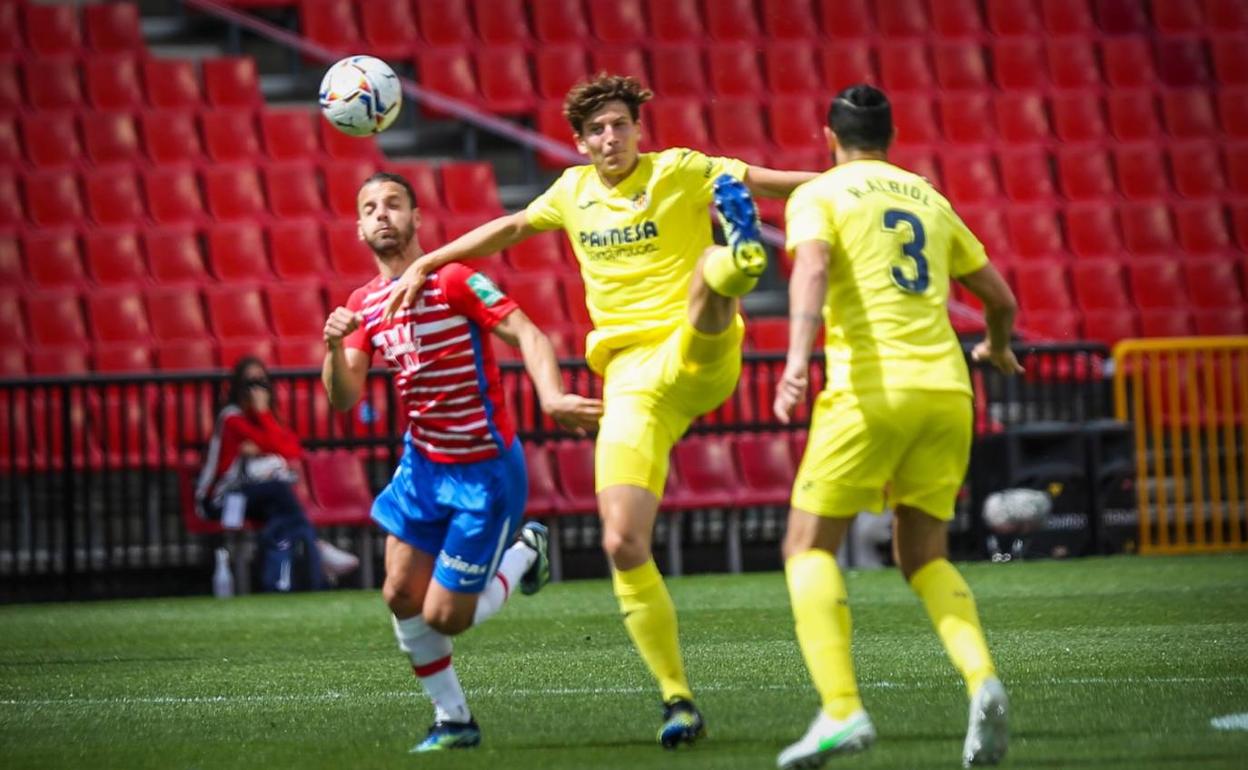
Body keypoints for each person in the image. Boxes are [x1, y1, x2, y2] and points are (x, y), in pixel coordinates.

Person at [382, 74, 817, 747]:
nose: (610, 137)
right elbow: (511, 227)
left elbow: (776, 179)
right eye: (597, 130)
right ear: (581, 143)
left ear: (637, 129)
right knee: (621, 541)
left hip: (696, 355)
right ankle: (678, 702)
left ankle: (741, 257)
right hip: (631, 384)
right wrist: (428, 260)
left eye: (619, 124)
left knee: (708, 269)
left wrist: (854, 182)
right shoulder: (573, 194)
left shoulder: (681, 169)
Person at [771, 83, 1024, 769]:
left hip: (870, 392)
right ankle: (983, 681)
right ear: (890, 138)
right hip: (948, 391)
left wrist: (796, 361)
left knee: (806, 546)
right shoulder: (927, 197)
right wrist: (998, 348)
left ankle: (842, 710)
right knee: (926, 556)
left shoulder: (819, 195)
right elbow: (1000, 298)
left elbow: (814, 266)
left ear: (829, 138)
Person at [322, 172, 602, 752]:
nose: (382, 215)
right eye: (369, 207)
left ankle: (526, 550)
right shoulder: (362, 304)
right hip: (422, 466)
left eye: (393, 204)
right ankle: (454, 720)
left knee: (446, 617)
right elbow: (343, 397)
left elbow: (528, 332)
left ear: (417, 218)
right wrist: (332, 345)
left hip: (483, 473)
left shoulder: (453, 280)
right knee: (400, 596)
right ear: (357, 227)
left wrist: (551, 396)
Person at [195, 356, 361, 592]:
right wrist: (264, 421)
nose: (256, 390)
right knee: (280, 491)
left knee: (282, 519)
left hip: (257, 497)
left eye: (261, 383)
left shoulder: (267, 418)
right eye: (249, 384)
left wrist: (263, 429)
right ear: (237, 387)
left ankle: (283, 583)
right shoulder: (231, 417)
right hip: (221, 500)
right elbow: (278, 446)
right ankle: (318, 552)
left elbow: (293, 450)